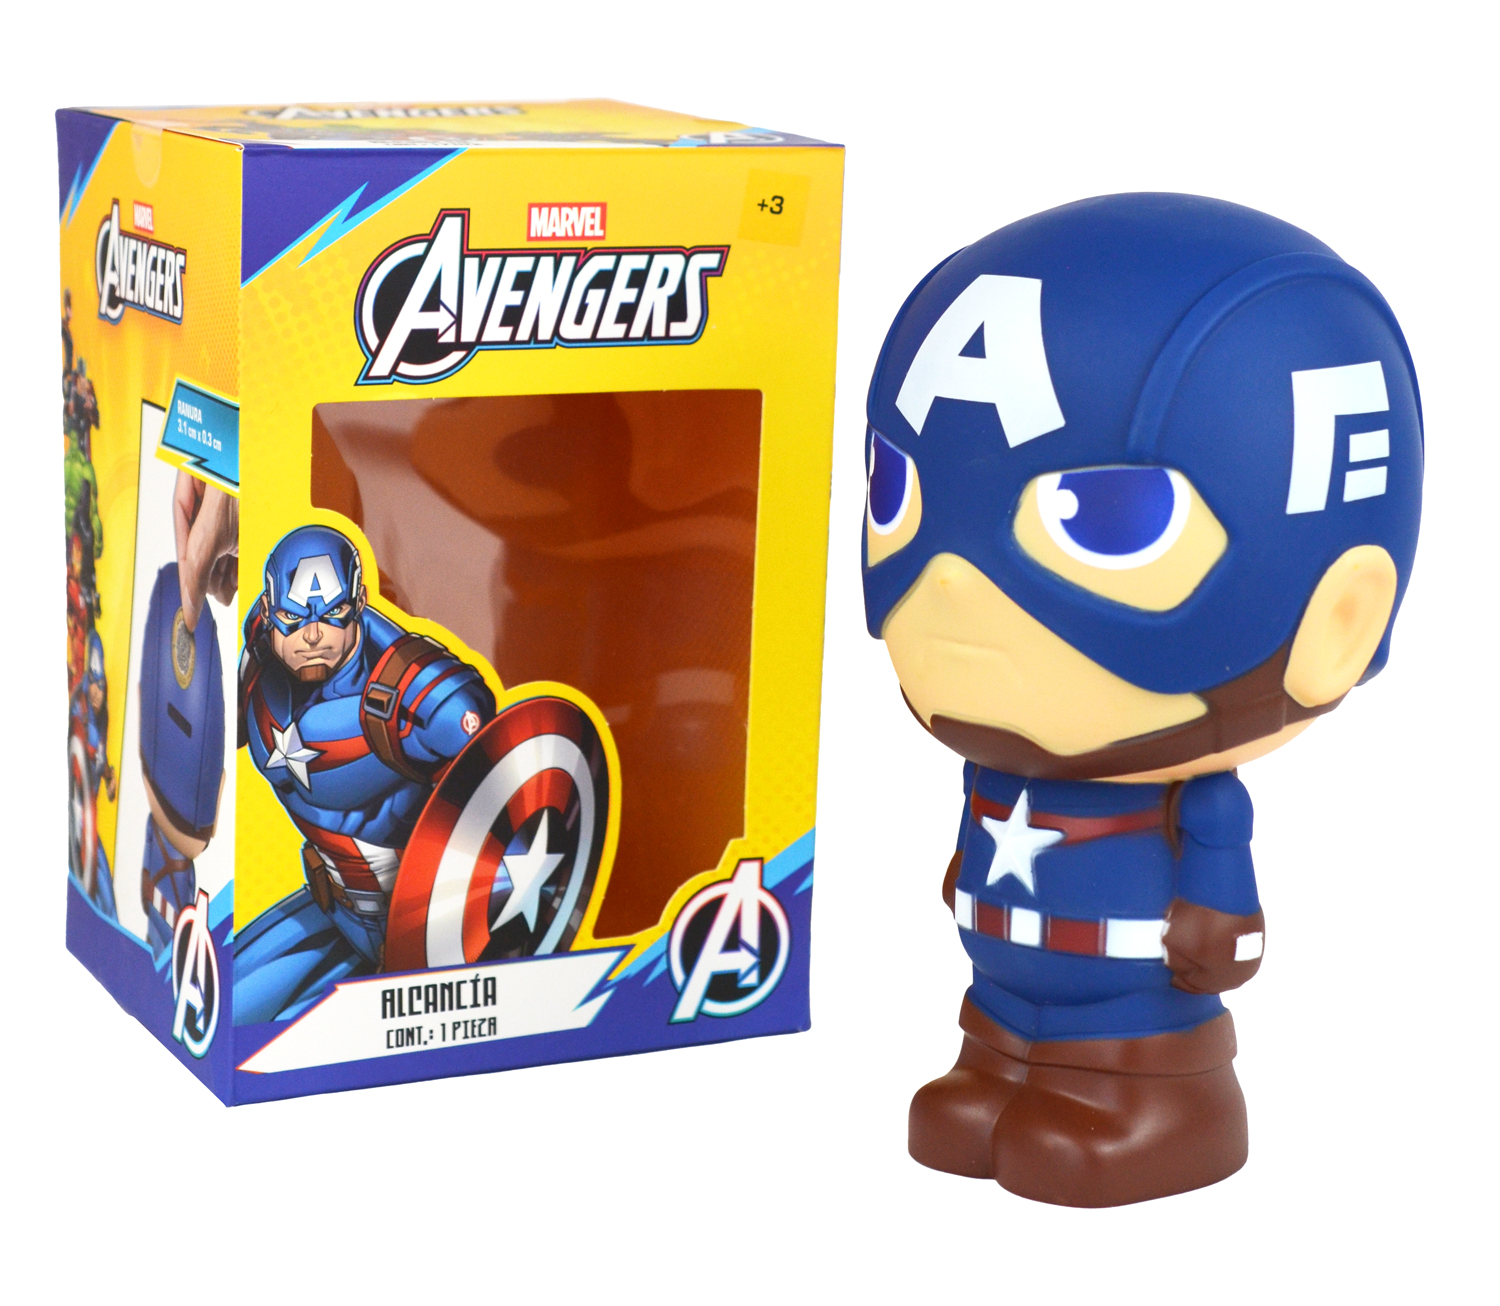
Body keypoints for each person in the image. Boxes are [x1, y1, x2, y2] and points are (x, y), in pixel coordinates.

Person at [863, 193, 1422, 1206]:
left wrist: (1219, 926)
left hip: (1137, 1025)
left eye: (1106, 521)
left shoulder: (1199, 800)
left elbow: (1221, 888)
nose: (949, 589)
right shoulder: (988, 767)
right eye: (893, 492)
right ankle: (998, 1075)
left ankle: (1152, 1109)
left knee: (1105, 1085)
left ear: (1340, 617)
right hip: (996, 992)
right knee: (984, 1068)